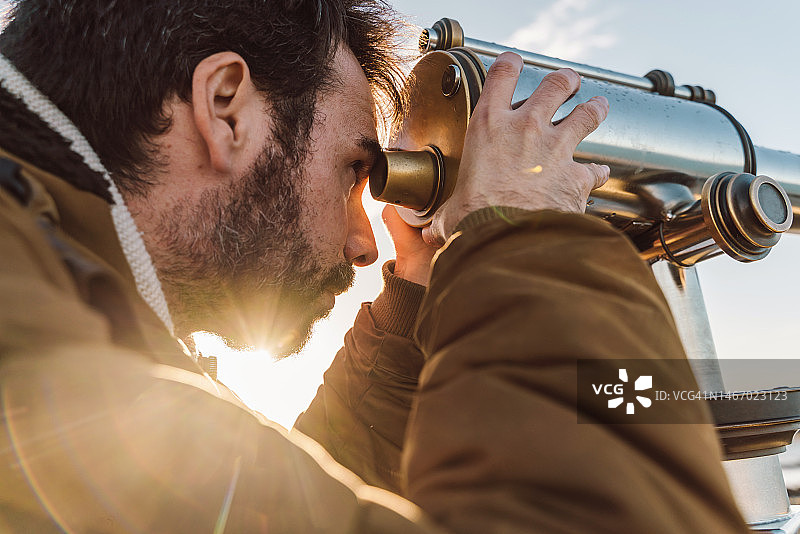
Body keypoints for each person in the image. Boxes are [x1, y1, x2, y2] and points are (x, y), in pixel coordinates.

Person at [0, 0, 748, 532]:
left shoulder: (55, 294)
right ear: (226, 106)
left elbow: (277, 506)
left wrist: (414, 309)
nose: (366, 243)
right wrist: (526, 239)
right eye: (352, 172)